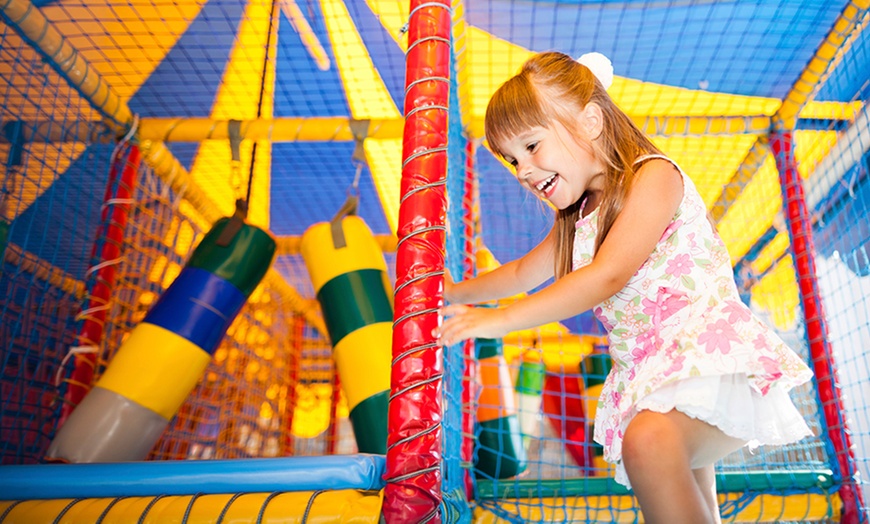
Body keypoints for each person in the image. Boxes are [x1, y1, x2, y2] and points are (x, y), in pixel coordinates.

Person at [434, 51, 813, 524]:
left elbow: (607, 276)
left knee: (649, 442)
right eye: (512, 160)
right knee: (687, 485)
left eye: (532, 147)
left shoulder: (652, 177)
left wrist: (498, 321)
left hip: (706, 358)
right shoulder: (576, 217)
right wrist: (451, 292)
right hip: (654, 373)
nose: (524, 171)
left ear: (590, 120)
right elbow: (520, 274)